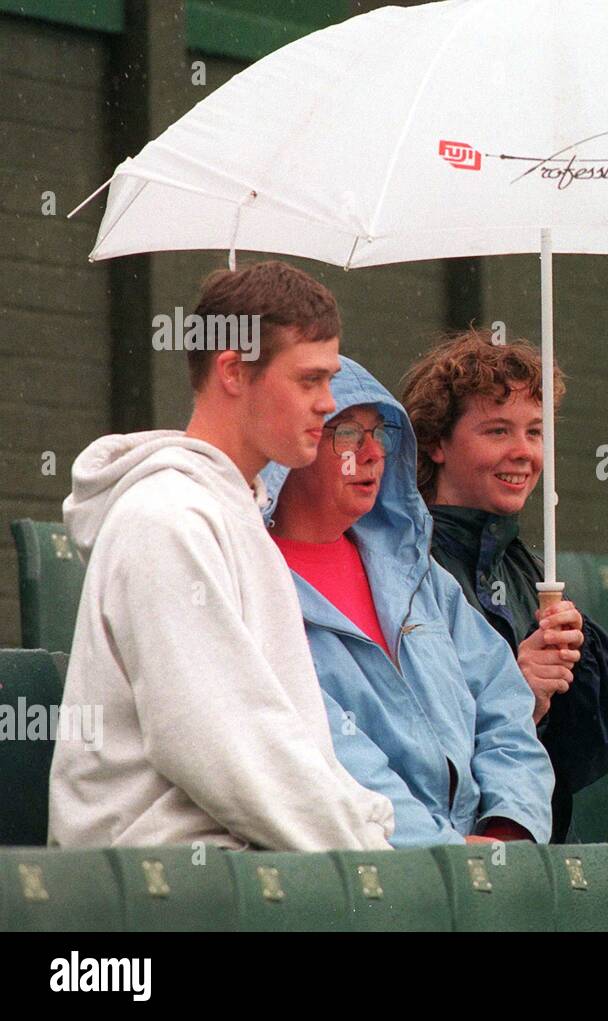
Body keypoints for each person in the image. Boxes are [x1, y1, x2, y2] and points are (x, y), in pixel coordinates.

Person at [50, 260, 395, 850]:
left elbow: (284, 744)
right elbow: (223, 744)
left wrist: (366, 826)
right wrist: (369, 862)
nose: (327, 404)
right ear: (233, 371)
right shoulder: (166, 519)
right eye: (309, 381)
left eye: (329, 380)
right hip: (159, 890)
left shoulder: (236, 511)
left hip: (252, 868)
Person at [262, 356, 553, 846]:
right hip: (376, 883)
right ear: (290, 445)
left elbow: (503, 706)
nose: (374, 452)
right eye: (349, 434)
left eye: (382, 433)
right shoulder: (256, 586)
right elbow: (325, 755)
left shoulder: (418, 575)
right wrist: (445, 854)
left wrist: (508, 829)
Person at [401, 330, 608, 841]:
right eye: (496, 431)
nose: (523, 453)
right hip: (450, 859)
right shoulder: (402, 567)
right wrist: (516, 694)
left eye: (535, 432)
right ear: (435, 443)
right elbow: (405, 740)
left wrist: (584, 668)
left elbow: (589, 752)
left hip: (538, 857)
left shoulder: (533, 571)